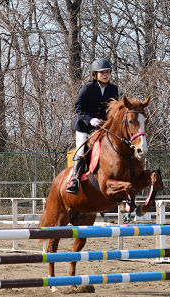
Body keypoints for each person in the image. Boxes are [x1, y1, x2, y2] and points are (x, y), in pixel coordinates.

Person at [66, 58, 119, 195]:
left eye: (107, 72)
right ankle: (75, 181)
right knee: (80, 152)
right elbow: (79, 107)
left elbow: (114, 110)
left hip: (102, 127)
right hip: (84, 126)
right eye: (102, 73)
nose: (105, 75)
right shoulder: (88, 88)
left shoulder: (114, 89)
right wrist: (90, 120)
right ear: (95, 74)